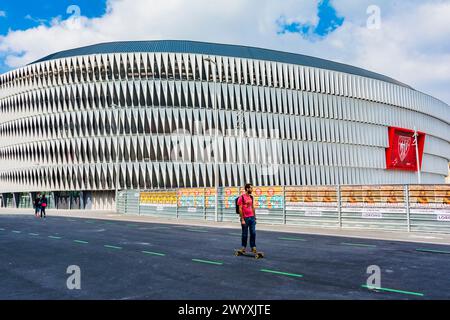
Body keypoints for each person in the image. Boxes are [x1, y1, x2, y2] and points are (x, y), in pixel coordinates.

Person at [237, 183, 258, 254]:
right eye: (251, 188)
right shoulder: (241, 198)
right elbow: (240, 209)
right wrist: (242, 219)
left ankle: (253, 247)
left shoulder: (251, 197)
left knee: (253, 233)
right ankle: (243, 247)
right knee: (244, 234)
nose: (252, 189)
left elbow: (252, 207)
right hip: (245, 218)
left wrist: (255, 217)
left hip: (251, 218)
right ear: (247, 189)